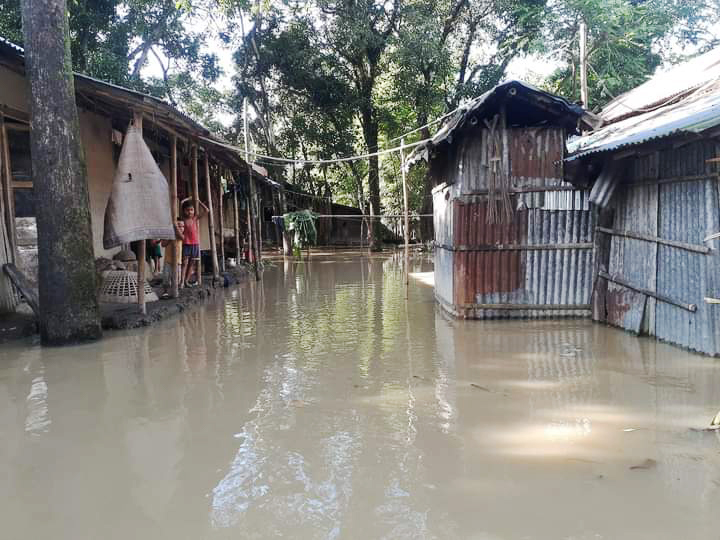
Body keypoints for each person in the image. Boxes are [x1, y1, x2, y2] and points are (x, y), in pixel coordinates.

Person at [180, 198, 208, 287]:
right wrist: (185, 200)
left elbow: (206, 210)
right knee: (184, 263)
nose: (190, 212)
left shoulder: (195, 218)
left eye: (192, 210)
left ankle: (186, 281)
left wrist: (199, 201)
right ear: (184, 211)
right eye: (187, 210)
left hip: (195, 243)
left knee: (192, 263)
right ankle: (181, 282)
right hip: (186, 243)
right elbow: (181, 203)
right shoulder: (183, 219)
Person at [160, 219, 184, 299]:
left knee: (176, 278)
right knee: (166, 278)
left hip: (177, 261)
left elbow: (182, 237)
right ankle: (165, 292)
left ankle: (174, 292)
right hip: (168, 261)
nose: (180, 228)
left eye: (182, 226)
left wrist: (176, 230)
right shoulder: (168, 235)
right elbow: (163, 244)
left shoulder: (181, 235)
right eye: (178, 226)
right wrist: (170, 238)